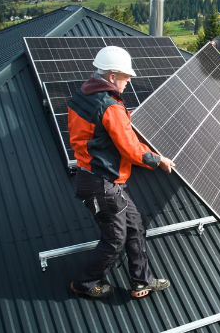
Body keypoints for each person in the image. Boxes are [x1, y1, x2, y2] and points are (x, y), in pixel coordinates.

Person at [67, 46, 174, 299]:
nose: (129, 80)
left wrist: (123, 118)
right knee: (115, 240)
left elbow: (100, 127)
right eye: (126, 76)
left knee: (135, 227)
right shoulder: (110, 106)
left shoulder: (84, 93)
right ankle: (84, 284)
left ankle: (140, 281)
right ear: (112, 76)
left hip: (104, 182)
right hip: (100, 184)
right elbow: (129, 149)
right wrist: (158, 160)